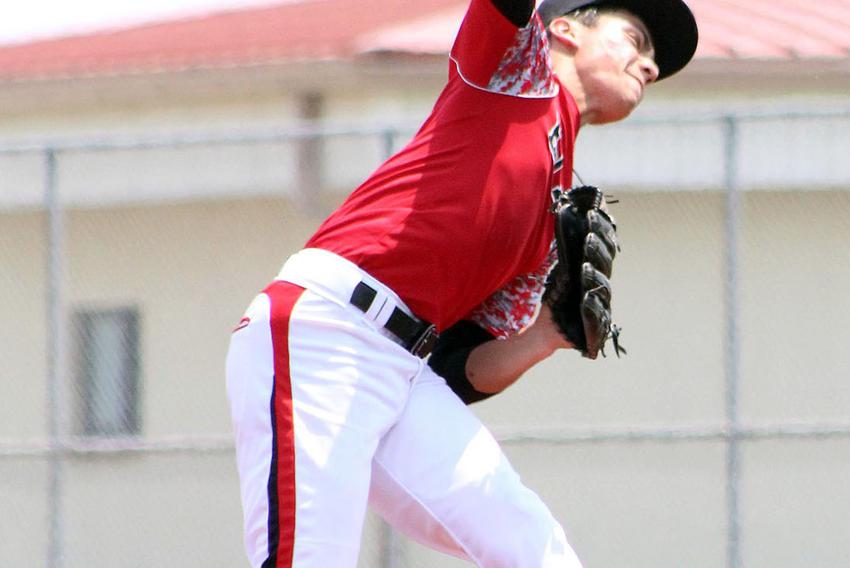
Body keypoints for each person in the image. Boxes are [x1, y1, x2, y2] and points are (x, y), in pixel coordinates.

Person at [225, 0, 698, 566]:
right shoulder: (520, 73)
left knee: (535, 550)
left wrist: (545, 336)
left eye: (653, 60)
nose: (647, 65)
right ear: (566, 29)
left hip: (405, 372)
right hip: (326, 332)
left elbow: (459, 368)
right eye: (635, 39)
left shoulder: (557, 214)